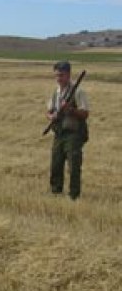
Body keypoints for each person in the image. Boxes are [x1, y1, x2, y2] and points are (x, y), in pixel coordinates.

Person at [46, 61, 90, 200]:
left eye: (61, 75)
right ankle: (56, 191)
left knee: (74, 166)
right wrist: (51, 116)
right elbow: (49, 111)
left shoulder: (78, 92)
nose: (58, 78)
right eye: (56, 75)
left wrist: (70, 109)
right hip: (59, 133)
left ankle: (73, 195)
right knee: (56, 164)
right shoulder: (56, 92)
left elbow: (85, 114)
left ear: (68, 74)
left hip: (74, 134)